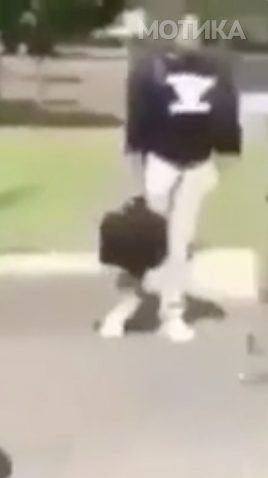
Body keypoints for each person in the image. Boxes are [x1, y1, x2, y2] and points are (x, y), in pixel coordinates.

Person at [98, 25, 241, 343]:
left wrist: (222, 160)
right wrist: (136, 168)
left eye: (195, 29)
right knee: (144, 240)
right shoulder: (153, 69)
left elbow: (226, 116)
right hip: (161, 163)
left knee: (180, 245)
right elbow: (137, 123)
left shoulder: (216, 70)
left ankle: (172, 313)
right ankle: (125, 306)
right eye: (183, 29)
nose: (190, 34)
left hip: (197, 165)